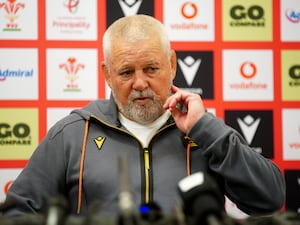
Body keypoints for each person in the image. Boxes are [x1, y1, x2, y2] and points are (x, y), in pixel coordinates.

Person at [2, 14, 285, 219]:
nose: (140, 83)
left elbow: (269, 200)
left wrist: (205, 129)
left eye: (151, 69)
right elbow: (16, 213)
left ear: (172, 64)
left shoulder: (205, 134)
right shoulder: (73, 133)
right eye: (126, 72)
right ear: (107, 75)